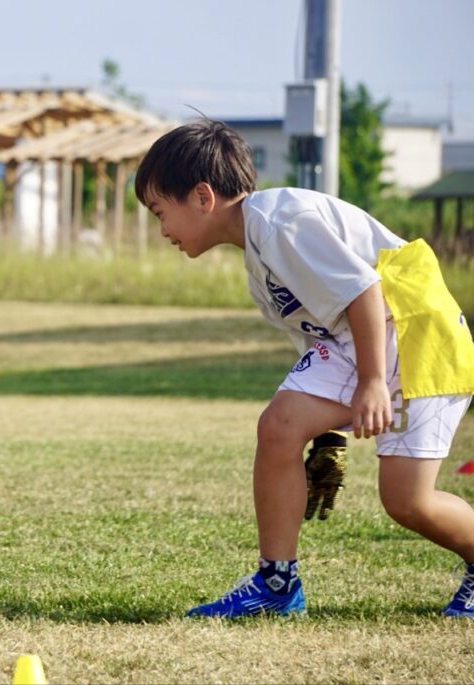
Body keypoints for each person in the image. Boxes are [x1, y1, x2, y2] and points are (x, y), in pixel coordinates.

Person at [134, 119, 474, 619]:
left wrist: (373, 382)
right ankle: (276, 585)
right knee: (279, 427)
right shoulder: (258, 257)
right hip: (364, 337)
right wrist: (329, 437)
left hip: (417, 333)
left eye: (160, 212)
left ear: (203, 197)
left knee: (408, 502)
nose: (162, 229)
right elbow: (318, 343)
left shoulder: (281, 220)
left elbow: (364, 290)